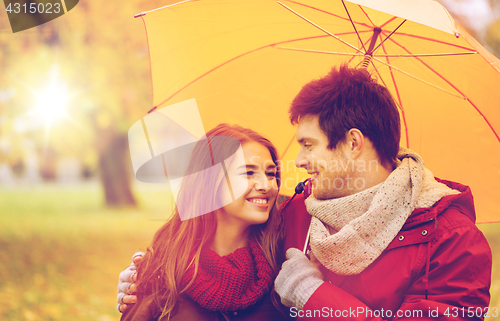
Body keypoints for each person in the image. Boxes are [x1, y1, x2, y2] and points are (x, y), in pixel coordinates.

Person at [119, 66, 492, 320]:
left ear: (353, 143)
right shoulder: (293, 213)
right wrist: (149, 283)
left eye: (309, 145)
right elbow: (221, 251)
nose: (298, 161)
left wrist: (312, 295)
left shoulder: (453, 241)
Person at [119, 123, 289, 321]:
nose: (266, 185)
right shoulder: (163, 272)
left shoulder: (284, 268)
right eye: (249, 173)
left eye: (270, 174)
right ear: (211, 179)